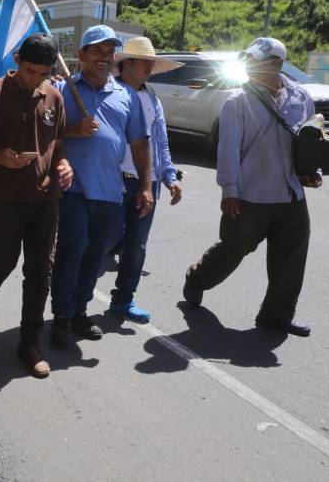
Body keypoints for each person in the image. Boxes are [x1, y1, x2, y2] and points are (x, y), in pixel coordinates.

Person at [183, 37, 321, 337]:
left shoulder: (300, 97)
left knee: (292, 255)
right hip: (250, 194)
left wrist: (312, 171)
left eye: (256, 61)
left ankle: (277, 315)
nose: (249, 66)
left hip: (291, 192)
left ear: (277, 64)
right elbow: (228, 149)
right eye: (246, 60)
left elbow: (310, 138)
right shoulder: (238, 101)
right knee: (234, 248)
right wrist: (229, 190)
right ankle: (198, 278)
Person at [0, 33, 73, 379]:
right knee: (4, 260)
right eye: (29, 71)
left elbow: (58, 144)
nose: (35, 79)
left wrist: (63, 165)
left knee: (40, 272)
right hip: (5, 198)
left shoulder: (54, 96)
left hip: (46, 199)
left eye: (43, 73)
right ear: (17, 61)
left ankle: (29, 344)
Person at [49, 25, 152, 347]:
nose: (105, 57)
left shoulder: (126, 95)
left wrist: (146, 186)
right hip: (72, 190)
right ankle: (61, 317)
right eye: (97, 50)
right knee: (71, 252)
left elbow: (140, 143)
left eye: (110, 52)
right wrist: (72, 130)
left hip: (110, 192)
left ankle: (79, 312)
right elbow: (43, 133)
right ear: (81, 55)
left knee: (94, 257)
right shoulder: (61, 89)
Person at [108, 37, 184, 324]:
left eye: (152, 63)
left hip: (145, 182)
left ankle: (123, 299)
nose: (150, 67)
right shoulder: (108, 93)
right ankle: (73, 300)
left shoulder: (151, 97)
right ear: (126, 63)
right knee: (104, 238)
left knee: (136, 244)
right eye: (145, 62)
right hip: (113, 179)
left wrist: (168, 176)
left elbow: (160, 141)